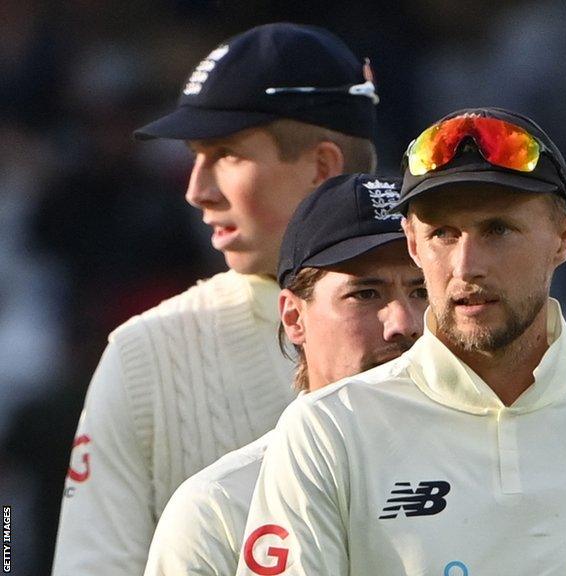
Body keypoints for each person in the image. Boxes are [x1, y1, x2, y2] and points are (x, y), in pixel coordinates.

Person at [237, 108, 566, 575]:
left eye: (498, 229)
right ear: (412, 244)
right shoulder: (328, 429)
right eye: (443, 233)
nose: (466, 266)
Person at [52, 23, 380, 576]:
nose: (195, 188)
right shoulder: (143, 356)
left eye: (225, 154)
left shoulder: (459, 329)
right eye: (196, 156)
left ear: (322, 167)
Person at [143, 174, 426, 576]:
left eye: (422, 292)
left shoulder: (495, 471)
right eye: (365, 294)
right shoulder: (220, 509)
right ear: (294, 317)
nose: (404, 323)